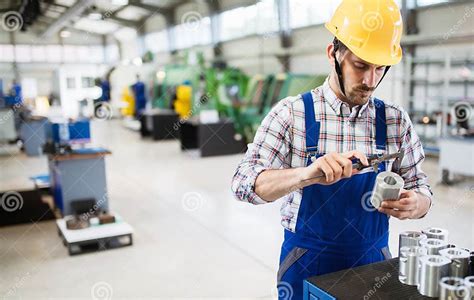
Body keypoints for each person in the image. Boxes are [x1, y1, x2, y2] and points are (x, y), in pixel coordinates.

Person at [231, 0, 433, 298]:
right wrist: (305, 174)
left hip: (373, 263)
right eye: (360, 65)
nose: (369, 80)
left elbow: (421, 188)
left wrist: (416, 204)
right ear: (333, 54)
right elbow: (243, 184)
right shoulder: (291, 115)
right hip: (307, 262)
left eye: (380, 68)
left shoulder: (394, 120)